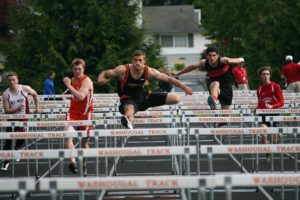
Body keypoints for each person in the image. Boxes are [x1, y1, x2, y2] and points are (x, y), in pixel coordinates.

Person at [98, 50, 193, 129]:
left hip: (144, 97)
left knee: (175, 99)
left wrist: (184, 87)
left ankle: (128, 118)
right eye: (135, 60)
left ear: (144, 61)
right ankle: (127, 120)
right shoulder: (123, 70)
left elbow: (168, 78)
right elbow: (104, 72)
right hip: (128, 99)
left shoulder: (149, 71)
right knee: (130, 109)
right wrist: (100, 79)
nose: (137, 63)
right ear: (132, 60)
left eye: (140, 60)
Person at [174, 46, 243, 110]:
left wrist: (230, 61)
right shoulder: (204, 62)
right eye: (210, 56)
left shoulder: (223, 60)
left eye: (214, 55)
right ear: (207, 56)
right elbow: (191, 67)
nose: (212, 58)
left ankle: (221, 122)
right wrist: (178, 73)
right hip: (213, 84)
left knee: (225, 114)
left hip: (226, 85)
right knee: (215, 83)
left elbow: (241, 59)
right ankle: (213, 100)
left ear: (218, 55)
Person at [1, 72, 40, 171]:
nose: (12, 82)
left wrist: (37, 108)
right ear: (7, 82)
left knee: (22, 137)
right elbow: (6, 111)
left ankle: (17, 148)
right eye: (10, 80)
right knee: (8, 140)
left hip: (24, 118)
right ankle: (5, 162)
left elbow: (35, 94)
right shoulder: (5, 94)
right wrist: (16, 108)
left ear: (17, 80)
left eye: (14, 79)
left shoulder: (25, 88)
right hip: (12, 119)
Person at [63, 58, 93, 176]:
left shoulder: (87, 81)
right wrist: (65, 95)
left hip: (85, 115)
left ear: (83, 69)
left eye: (79, 69)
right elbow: (68, 94)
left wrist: (68, 86)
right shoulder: (73, 80)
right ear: (72, 69)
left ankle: (84, 165)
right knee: (68, 135)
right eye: (75, 69)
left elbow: (81, 96)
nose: (77, 71)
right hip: (73, 114)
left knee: (84, 143)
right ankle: (73, 163)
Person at [256, 66, 284, 163]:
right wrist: (257, 109)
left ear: (270, 75)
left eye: (267, 74)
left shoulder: (275, 86)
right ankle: (268, 156)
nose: (266, 76)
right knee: (263, 134)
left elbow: (281, 102)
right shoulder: (259, 89)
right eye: (263, 74)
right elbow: (260, 103)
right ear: (260, 76)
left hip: (274, 114)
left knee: (274, 140)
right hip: (263, 115)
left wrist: (272, 106)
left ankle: (276, 139)